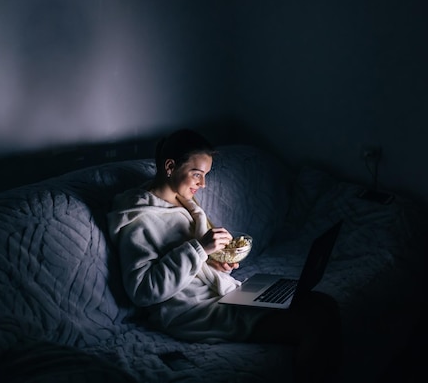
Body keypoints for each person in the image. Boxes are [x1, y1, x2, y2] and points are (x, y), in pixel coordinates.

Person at [106, 128, 342, 383]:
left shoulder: (185, 204)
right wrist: (201, 249)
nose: (203, 184)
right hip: (193, 311)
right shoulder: (139, 219)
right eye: (197, 174)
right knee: (315, 323)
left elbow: (195, 262)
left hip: (223, 293)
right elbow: (142, 291)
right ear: (170, 166)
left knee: (324, 303)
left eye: (205, 175)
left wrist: (215, 263)